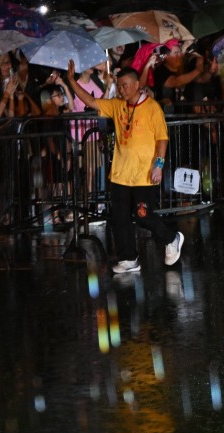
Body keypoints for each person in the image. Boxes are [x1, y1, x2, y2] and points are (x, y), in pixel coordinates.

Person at [66, 61, 184, 274]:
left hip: (144, 173)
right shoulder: (117, 105)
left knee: (142, 215)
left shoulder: (151, 107)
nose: (122, 89)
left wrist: (158, 165)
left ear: (137, 84)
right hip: (121, 173)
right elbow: (91, 101)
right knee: (119, 217)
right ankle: (129, 257)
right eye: (119, 86)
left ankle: (171, 238)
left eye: (126, 85)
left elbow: (162, 138)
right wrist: (71, 81)